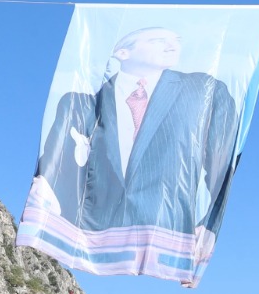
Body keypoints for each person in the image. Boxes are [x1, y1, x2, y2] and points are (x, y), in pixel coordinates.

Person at [33, 26, 241, 243]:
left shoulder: (204, 91)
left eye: (176, 40)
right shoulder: (78, 106)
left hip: (167, 233)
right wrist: (44, 194)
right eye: (158, 40)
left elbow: (222, 161)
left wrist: (209, 223)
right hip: (90, 234)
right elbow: (53, 168)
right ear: (123, 52)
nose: (172, 46)